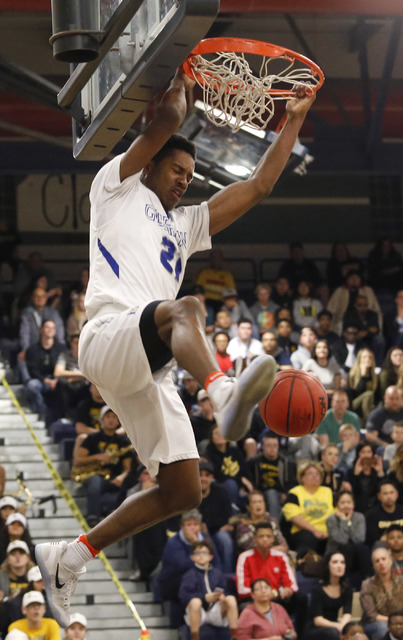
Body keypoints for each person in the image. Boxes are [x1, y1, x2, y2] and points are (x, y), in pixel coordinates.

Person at [35, 70, 314, 628]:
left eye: (191, 174)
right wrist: (179, 68)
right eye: (177, 169)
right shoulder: (115, 188)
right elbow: (163, 122)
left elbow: (258, 187)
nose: (185, 180)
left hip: (149, 365)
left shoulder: (184, 226)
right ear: (153, 164)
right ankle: (223, 391)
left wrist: (293, 121)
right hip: (110, 334)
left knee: (183, 488)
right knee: (186, 309)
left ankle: (70, 557)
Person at [72, 406, 133, 527]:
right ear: (101, 420)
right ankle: (93, 518)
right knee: (95, 482)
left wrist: (122, 477)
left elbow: (128, 468)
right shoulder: (92, 438)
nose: (111, 420)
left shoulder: (124, 441)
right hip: (93, 475)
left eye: (114, 417)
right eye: (108, 417)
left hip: (114, 477)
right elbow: (78, 461)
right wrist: (98, 457)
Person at [179, 539, 238, 640]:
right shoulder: (189, 575)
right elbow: (183, 595)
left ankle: (234, 636)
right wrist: (204, 598)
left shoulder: (217, 573)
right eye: (198, 553)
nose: (201, 556)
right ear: (192, 557)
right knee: (195, 602)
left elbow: (226, 590)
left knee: (231, 599)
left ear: (211, 557)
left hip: (216, 611)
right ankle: (195, 637)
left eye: (204, 553)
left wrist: (222, 596)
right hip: (199, 612)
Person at [158, 509, 221, 604]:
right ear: (182, 527)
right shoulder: (173, 543)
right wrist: (196, 544)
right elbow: (183, 565)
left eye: (195, 525)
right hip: (176, 584)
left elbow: (216, 562)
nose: (192, 528)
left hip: (202, 579)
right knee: (191, 576)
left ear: (200, 527)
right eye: (189, 525)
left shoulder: (206, 538)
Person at [282, 461, 334, 555]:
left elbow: (337, 513)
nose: (314, 476)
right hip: (303, 531)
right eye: (310, 473)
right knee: (308, 538)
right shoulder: (295, 493)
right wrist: (314, 531)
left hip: (327, 532)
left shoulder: (328, 492)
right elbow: (294, 516)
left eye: (317, 474)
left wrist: (330, 532)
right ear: (302, 478)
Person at [247, 435, 297, 520]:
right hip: (260, 492)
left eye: (275, 445)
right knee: (269, 494)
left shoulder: (286, 463)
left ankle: (274, 524)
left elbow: (292, 482)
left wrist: (286, 493)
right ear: (263, 447)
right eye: (269, 445)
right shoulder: (254, 462)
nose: (272, 448)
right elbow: (248, 477)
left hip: (280, 493)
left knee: (272, 493)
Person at [325, 490, 371, 582]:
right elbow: (342, 540)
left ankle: (367, 580)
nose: (346, 505)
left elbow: (360, 539)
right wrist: (344, 520)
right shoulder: (331, 520)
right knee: (346, 547)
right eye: (342, 503)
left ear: (353, 504)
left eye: (349, 502)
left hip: (356, 552)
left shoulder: (359, 517)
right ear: (337, 505)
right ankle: (344, 582)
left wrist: (348, 523)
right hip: (336, 551)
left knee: (363, 549)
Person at [305, 551, 353, 640]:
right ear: (327, 566)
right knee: (333, 633)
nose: (339, 566)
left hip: (335, 625)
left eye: (342, 562)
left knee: (356, 630)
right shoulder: (317, 588)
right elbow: (318, 620)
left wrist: (343, 626)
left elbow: (347, 614)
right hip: (316, 628)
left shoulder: (346, 588)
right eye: (335, 562)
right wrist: (339, 626)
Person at [360, 546, 403, 640]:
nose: (381, 563)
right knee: (383, 628)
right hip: (375, 624)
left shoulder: (401, 582)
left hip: (400, 621)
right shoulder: (367, 585)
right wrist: (393, 622)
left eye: (383, 559)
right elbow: (371, 615)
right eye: (377, 561)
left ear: (390, 560)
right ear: (374, 566)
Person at [231, 490, 288, 555]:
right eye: (254, 502)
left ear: (264, 504)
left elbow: (282, 543)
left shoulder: (272, 521)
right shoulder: (243, 524)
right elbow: (248, 546)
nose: (258, 505)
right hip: (252, 560)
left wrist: (283, 548)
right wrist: (273, 550)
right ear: (248, 507)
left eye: (260, 501)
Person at [327, 270, 382, 336]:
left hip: (364, 317)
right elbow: (331, 309)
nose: (354, 280)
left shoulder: (367, 290)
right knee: (340, 326)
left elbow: (374, 308)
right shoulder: (340, 291)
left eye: (356, 278)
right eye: (351, 278)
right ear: (347, 280)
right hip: (345, 318)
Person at [343, 294, 386, 366]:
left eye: (365, 305)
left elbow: (375, 330)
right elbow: (348, 329)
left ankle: (378, 365)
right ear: (355, 305)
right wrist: (366, 331)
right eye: (360, 305)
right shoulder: (349, 315)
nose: (363, 307)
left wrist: (366, 332)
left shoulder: (372, 314)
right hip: (355, 338)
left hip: (370, 339)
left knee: (380, 340)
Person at [348, 439, 384, 513]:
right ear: (358, 454)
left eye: (368, 452)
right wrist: (356, 475)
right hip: (358, 509)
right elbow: (353, 493)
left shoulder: (378, 471)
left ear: (373, 454)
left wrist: (380, 473)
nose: (366, 455)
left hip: (377, 508)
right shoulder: (351, 472)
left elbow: (383, 491)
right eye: (363, 452)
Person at [365, 479, 403, 548]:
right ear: (379, 496)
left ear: (397, 494)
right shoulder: (372, 515)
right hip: (382, 548)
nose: (389, 496)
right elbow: (373, 540)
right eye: (385, 493)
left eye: (391, 493)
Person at [347, 348, 380, 422]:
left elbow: (377, 395)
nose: (367, 359)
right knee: (368, 394)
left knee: (370, 397)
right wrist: (363, 375)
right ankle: (369, 422)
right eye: (364, 357)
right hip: (355, 404)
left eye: (370, 357)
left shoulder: (375, 377)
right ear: (359, 359)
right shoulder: (353, 374)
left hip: (369, 405)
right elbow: (355, 392)